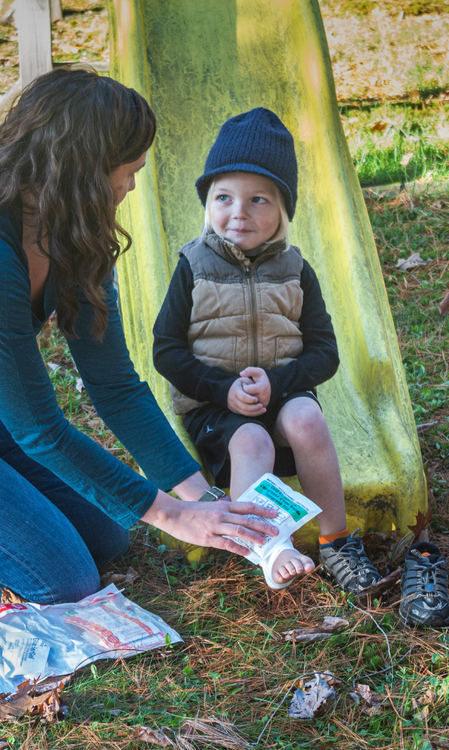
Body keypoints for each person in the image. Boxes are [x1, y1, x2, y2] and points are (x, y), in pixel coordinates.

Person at [0, 67, 284, 604]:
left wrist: (203, 500)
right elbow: (39, 429)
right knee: (62, 580)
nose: (132, 185)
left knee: (108, 537)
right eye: (126, 171)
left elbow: (116, 388)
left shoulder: (73, 229)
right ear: (81, 172)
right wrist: (172, 515)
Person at [152, 108, 388, 595]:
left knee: (306, 419)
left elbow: (325, 352)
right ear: (208, 202)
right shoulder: (192, 265)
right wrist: (222, 389)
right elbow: (166, 351)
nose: (238, 212)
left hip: (280, 395)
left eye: (257, 200)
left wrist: (279, 383)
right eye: (224, 197)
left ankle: (337, 541)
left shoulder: (296, 269)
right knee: (253, 442)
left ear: (283, 209)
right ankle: (268, 544)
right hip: (216, 407)